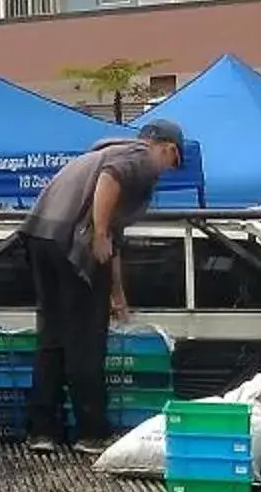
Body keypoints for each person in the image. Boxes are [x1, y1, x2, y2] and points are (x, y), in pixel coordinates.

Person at [22, 121, 185, 454]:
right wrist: (96, 234)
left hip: (41, 236)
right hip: (74, 243)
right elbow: (109, 180)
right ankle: (91, 432)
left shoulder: (102, 152)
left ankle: (42, 431)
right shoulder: (140, 158)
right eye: (173, 161)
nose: (168, 170)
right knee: (86, 339)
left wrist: (116, 293)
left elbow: (113, 243)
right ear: (166, 148)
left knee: (52, 336)